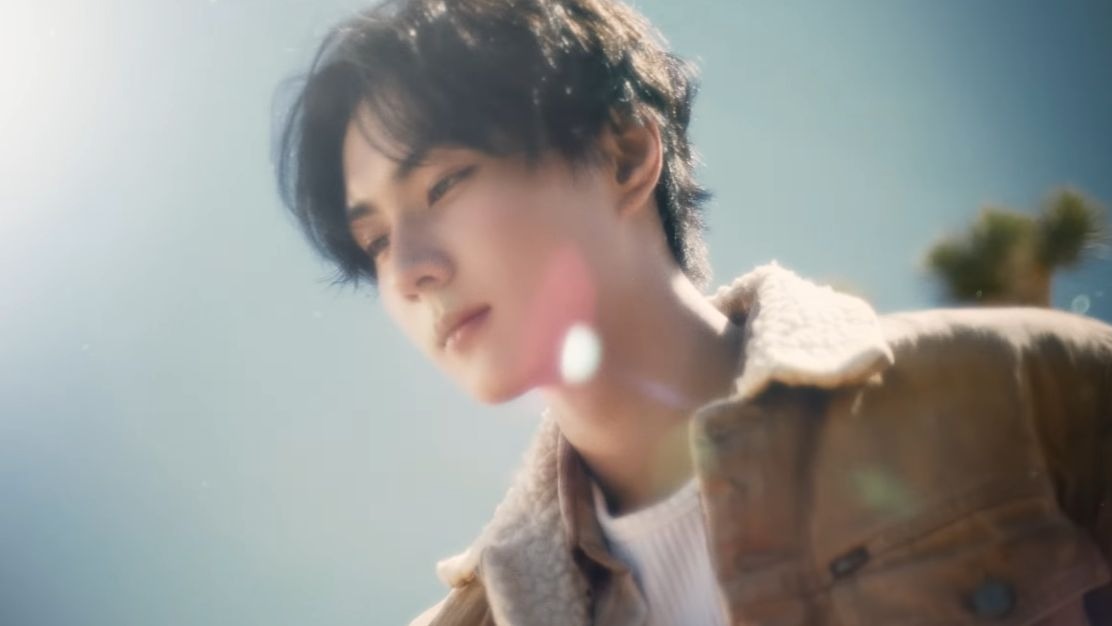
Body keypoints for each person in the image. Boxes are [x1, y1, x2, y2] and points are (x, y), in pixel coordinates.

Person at [274, 0, 1112, 623]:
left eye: (445, 183)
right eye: (374, 241)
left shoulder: (1027, 393)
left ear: (625, 154)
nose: (409, 270)